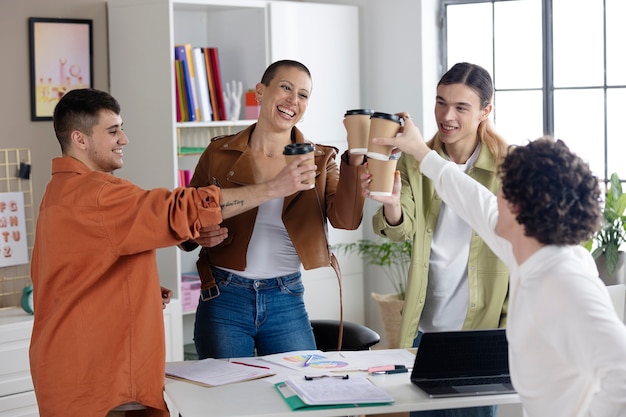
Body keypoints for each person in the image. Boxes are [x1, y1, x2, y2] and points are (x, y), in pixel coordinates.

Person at [29, 88, 313, 417]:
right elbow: (180, 208)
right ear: (79, 139)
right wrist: (273, 188)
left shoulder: (58, 191)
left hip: (66, 373)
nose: (124, 139)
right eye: (112, 131)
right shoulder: (98, 194)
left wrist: (140, 292)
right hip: (98, 381)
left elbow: (77, 273)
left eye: (121, 128)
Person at [370, 122, 626, 416]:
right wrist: (419, 151)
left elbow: (622, 370)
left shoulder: (563, 279)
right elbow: (469, 198)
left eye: (502, 190)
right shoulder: (526, 251)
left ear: (517, 207)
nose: (495, 196)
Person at [182, 59, 366, 359]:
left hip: (286, 297)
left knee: (302, 389)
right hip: (223, 295)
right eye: (285, 87)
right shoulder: (219, 152)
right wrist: (199, 233)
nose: (293, 100)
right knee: (229, 399)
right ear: (261, 92)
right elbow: (185, 221)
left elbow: (346, 220)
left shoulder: (321, 160)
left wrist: (355, 159)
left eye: (303, 95)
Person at [370, 63, 509, 417]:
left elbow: (516, 251)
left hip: (480, 333)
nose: (447, 116)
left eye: (462, 107)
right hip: (425, 332)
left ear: (485, 111)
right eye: (440, 102)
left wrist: (507, 331)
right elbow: (401, 229)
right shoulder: (414, 164)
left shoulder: (508, 168)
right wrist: (390, 207)